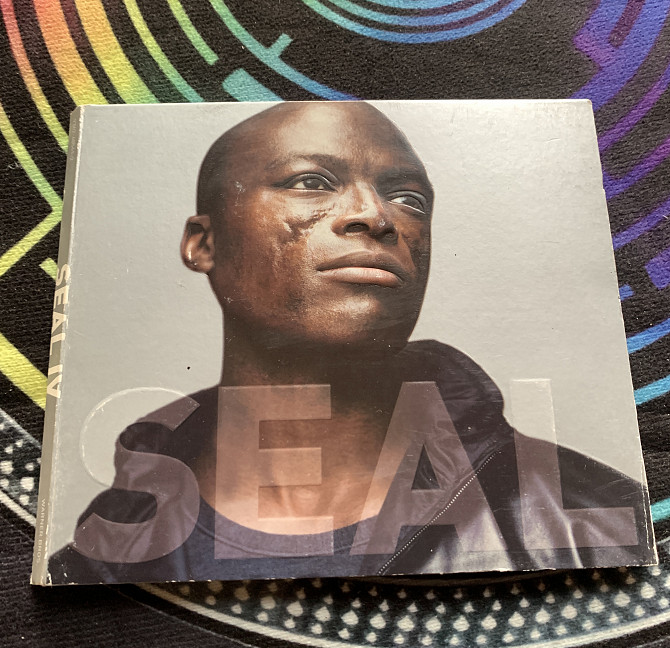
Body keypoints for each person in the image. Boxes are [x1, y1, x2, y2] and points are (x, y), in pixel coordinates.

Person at [48, 102, 655, 584]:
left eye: (408, 198)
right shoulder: (102, 555)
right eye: (311, 182)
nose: (375, 215)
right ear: (203, 243)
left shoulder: (596, 520)